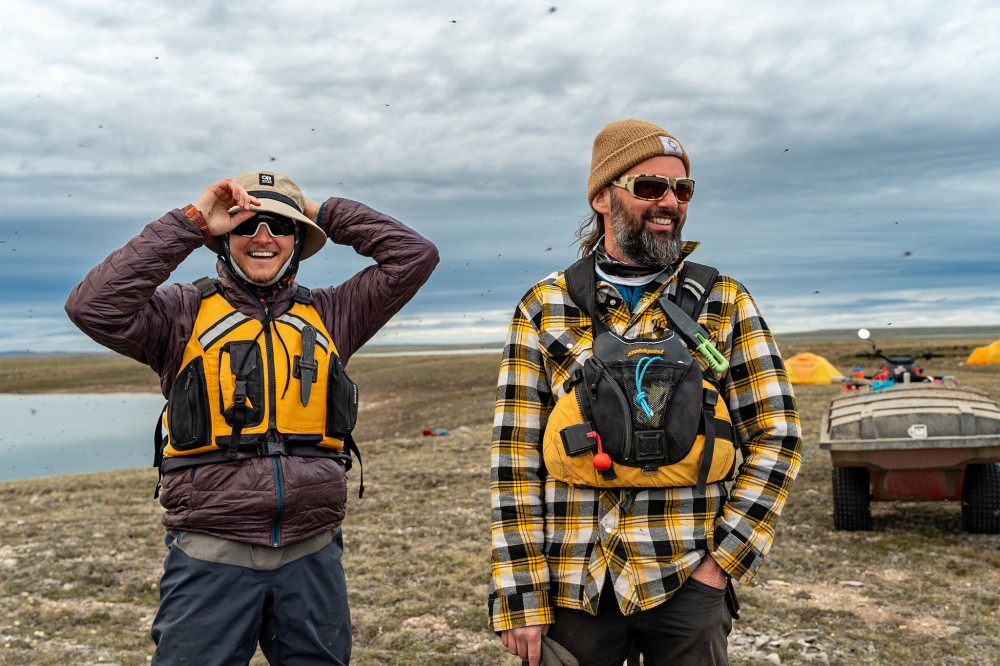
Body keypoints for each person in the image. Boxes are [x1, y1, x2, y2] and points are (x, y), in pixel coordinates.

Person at [66, 171, 438, 665]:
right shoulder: (180, 312)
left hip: (313, 552)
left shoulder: (333, 312)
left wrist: (321, 209)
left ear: (298, 239)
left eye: (280, 224)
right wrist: (192, 221)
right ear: (222, 239)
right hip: (210, 553)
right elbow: (92, 306)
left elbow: (415, 256)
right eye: (246, 224)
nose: (263, 237)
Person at [489, 119, 802, 666]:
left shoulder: (723, 301)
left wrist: (720, 567)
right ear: (602, 197)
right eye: (649, 187)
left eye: (682, 190)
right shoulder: (546, 306)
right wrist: (521, 594)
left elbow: (777, 434)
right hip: (573, 582)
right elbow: (515, 459)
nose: (670, 203)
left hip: (686, 578)